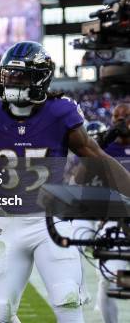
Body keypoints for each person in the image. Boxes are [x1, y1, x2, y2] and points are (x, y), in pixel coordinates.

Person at [0, 41, 130, 323]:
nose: (13, 82)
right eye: (9, 76)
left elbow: (95, 156)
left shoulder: (59, 112)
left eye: (21, 76)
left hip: (50, 221)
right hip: (8, 221)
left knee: (67, 303)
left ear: (40, 78)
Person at [96, 103, 129, 323]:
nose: (120, 120)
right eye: (116, 116)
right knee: (107, 280)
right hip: (115, 221)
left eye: (125, 116)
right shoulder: (105, 148)